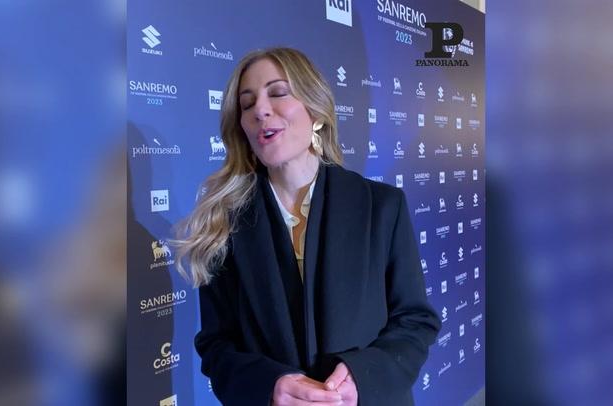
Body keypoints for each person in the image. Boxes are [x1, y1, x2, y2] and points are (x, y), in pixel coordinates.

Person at [173, 47, 441, 406]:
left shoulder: (382, 206)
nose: (260, 110)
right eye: (247, 104)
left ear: (315, 110)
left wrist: (363, 376)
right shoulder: (223, 222)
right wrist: (269, 386)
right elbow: (217, 345)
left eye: (278, 93)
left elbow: (415, 320)